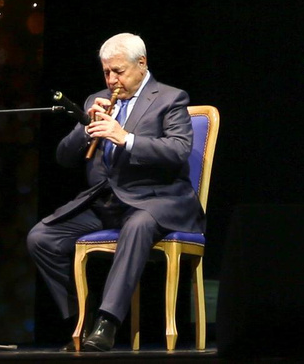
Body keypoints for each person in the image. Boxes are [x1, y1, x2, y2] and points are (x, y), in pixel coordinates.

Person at [27, 33, 205, 352]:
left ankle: (107, 323)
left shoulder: (170, 98)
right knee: (41, 238)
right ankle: (82, 319)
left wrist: (126, 138)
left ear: (142, 64)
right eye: (106, 72)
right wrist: (85, 127)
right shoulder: (97, 99)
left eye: (118, 71)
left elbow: (179, 151)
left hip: (157, 199)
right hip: (107, 201)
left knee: (137, 226)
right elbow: (64, 158)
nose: (112, 80)